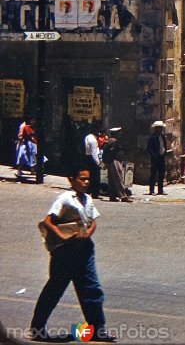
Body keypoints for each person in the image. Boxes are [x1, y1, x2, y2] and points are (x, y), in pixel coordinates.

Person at [30, 165, 116, 343]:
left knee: (92, 289)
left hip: (84, 250)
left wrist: (87, 234)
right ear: (71, 179)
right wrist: (63, 236)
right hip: (65, 252)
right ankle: (37, 327)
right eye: (82, 179)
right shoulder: (65, 199)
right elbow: (48, 222)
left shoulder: (88, 199)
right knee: (54, 289)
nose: (85, 182)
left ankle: (97, 329)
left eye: (88, 179)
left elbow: (92, 222)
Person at [102, 127, 131, 203]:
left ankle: (112, 195)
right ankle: (123, 196)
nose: (120, 134)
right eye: (119, 133)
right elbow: (112, 151)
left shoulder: (110, 140)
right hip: (114, 161)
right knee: (118, 178)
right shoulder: (114, 141)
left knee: (111, 179)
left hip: (110, 161)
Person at [147, 121, 168, 196]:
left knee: (161, 175)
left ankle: (160, 190)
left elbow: (165, 146)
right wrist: (154, 156)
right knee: (153, 174)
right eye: (160, 128)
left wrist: (164, 153)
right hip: (155, 158)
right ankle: (151, 190)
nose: (161, 129)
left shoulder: (163, 137)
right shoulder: (152, 138)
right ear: (156, 129)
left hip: (161, 157)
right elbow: (149, 149)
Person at [84, 128, 104, 199]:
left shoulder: (87, 137)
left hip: (87, 157)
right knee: (96, 177)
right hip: (92, 159)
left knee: (89, 176)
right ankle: (95, 193)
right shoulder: (93, 140)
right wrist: (98, 163)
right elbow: (94, 153)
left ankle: (88, 191)